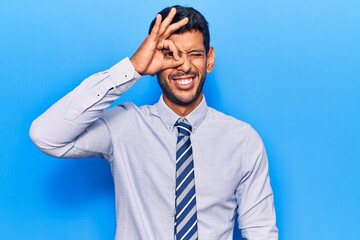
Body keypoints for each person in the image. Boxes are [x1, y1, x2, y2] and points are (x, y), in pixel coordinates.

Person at [30, 5, 278, 240]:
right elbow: (46, 136)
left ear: (209, 59)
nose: (184, 66)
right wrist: (132, 69)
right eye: (170, 55)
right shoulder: (123, 126)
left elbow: (261, 232)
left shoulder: (243, 140)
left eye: (195, 54)